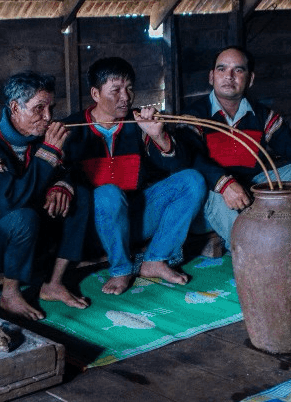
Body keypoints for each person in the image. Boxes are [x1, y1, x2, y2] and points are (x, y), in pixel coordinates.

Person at [62, 57, 206, 295]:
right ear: (95, 93)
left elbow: (178, 165)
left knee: (192, 180)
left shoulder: (139, 122)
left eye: (129, 89)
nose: (126, 97)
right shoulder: (71, 129)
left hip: (136, 221)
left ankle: (156, 259)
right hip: (93, 230)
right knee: (107, 192)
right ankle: (120, 269)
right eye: (116, 90)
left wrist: (158, 136)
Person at [0, 71, 91, 321]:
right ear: (15, 107)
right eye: (39, 108)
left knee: (78, 195)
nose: (48, 117)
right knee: (23, 217)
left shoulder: (38, 139)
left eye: (50, 108)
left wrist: (61, 185)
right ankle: (10, 293)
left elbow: (68, 170)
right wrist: (49, 154)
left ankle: (53, 282)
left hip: (29, 244)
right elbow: (9, 202)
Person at [183, 46, 291, 250]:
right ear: (211, 77)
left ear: (250, 79)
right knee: (206, 187)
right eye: (222, 69)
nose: (229, 76)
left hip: (251, 192)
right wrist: (224, 184)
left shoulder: (261, 115)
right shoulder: (194, 116)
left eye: (238, 70)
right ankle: (252, 250)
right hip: (213, 202)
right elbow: (188, 158)